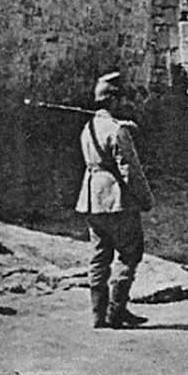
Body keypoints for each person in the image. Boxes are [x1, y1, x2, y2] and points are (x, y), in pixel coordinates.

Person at [76, 72, 155, 329]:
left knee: (99, 255)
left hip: (90, 198)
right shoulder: (117, 129)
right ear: (113, 101)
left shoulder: (87, 129)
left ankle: (98, 314)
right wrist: (145, 200)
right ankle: (116, 311)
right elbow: (130, 170)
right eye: (120, 99)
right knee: (129, 253)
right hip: (116, 200)